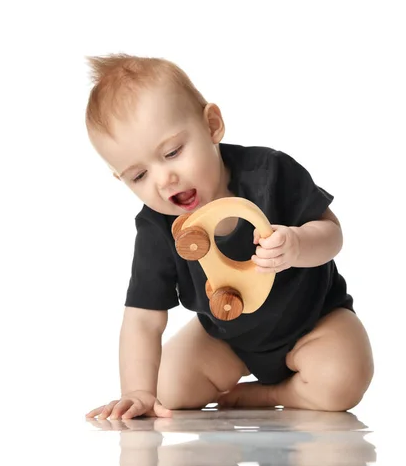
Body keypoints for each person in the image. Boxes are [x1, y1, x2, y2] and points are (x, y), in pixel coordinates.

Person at [83, 54, 374, 421]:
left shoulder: (269, 172)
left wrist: (298, 244)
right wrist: (137, 392)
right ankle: (222, 383)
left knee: (342, 380)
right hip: (226, 337)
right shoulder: (158, 227)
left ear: (212, 125)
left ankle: (269, 394)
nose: (163, 180)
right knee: (169, 389)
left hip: (314, 321)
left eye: (172, 152)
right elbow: (143, 318)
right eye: (138, 176)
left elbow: (332, 234)